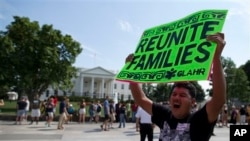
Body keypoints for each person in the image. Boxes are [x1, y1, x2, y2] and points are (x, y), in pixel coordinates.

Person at [126, 32, 226, 141]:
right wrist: (132, 72)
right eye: (174, 94)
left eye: (182, 95)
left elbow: (218, 100)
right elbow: (141, 99)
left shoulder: (199, 120)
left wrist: (216, 57)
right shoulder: (164, 115)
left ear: (193, 102)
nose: (176, 97)